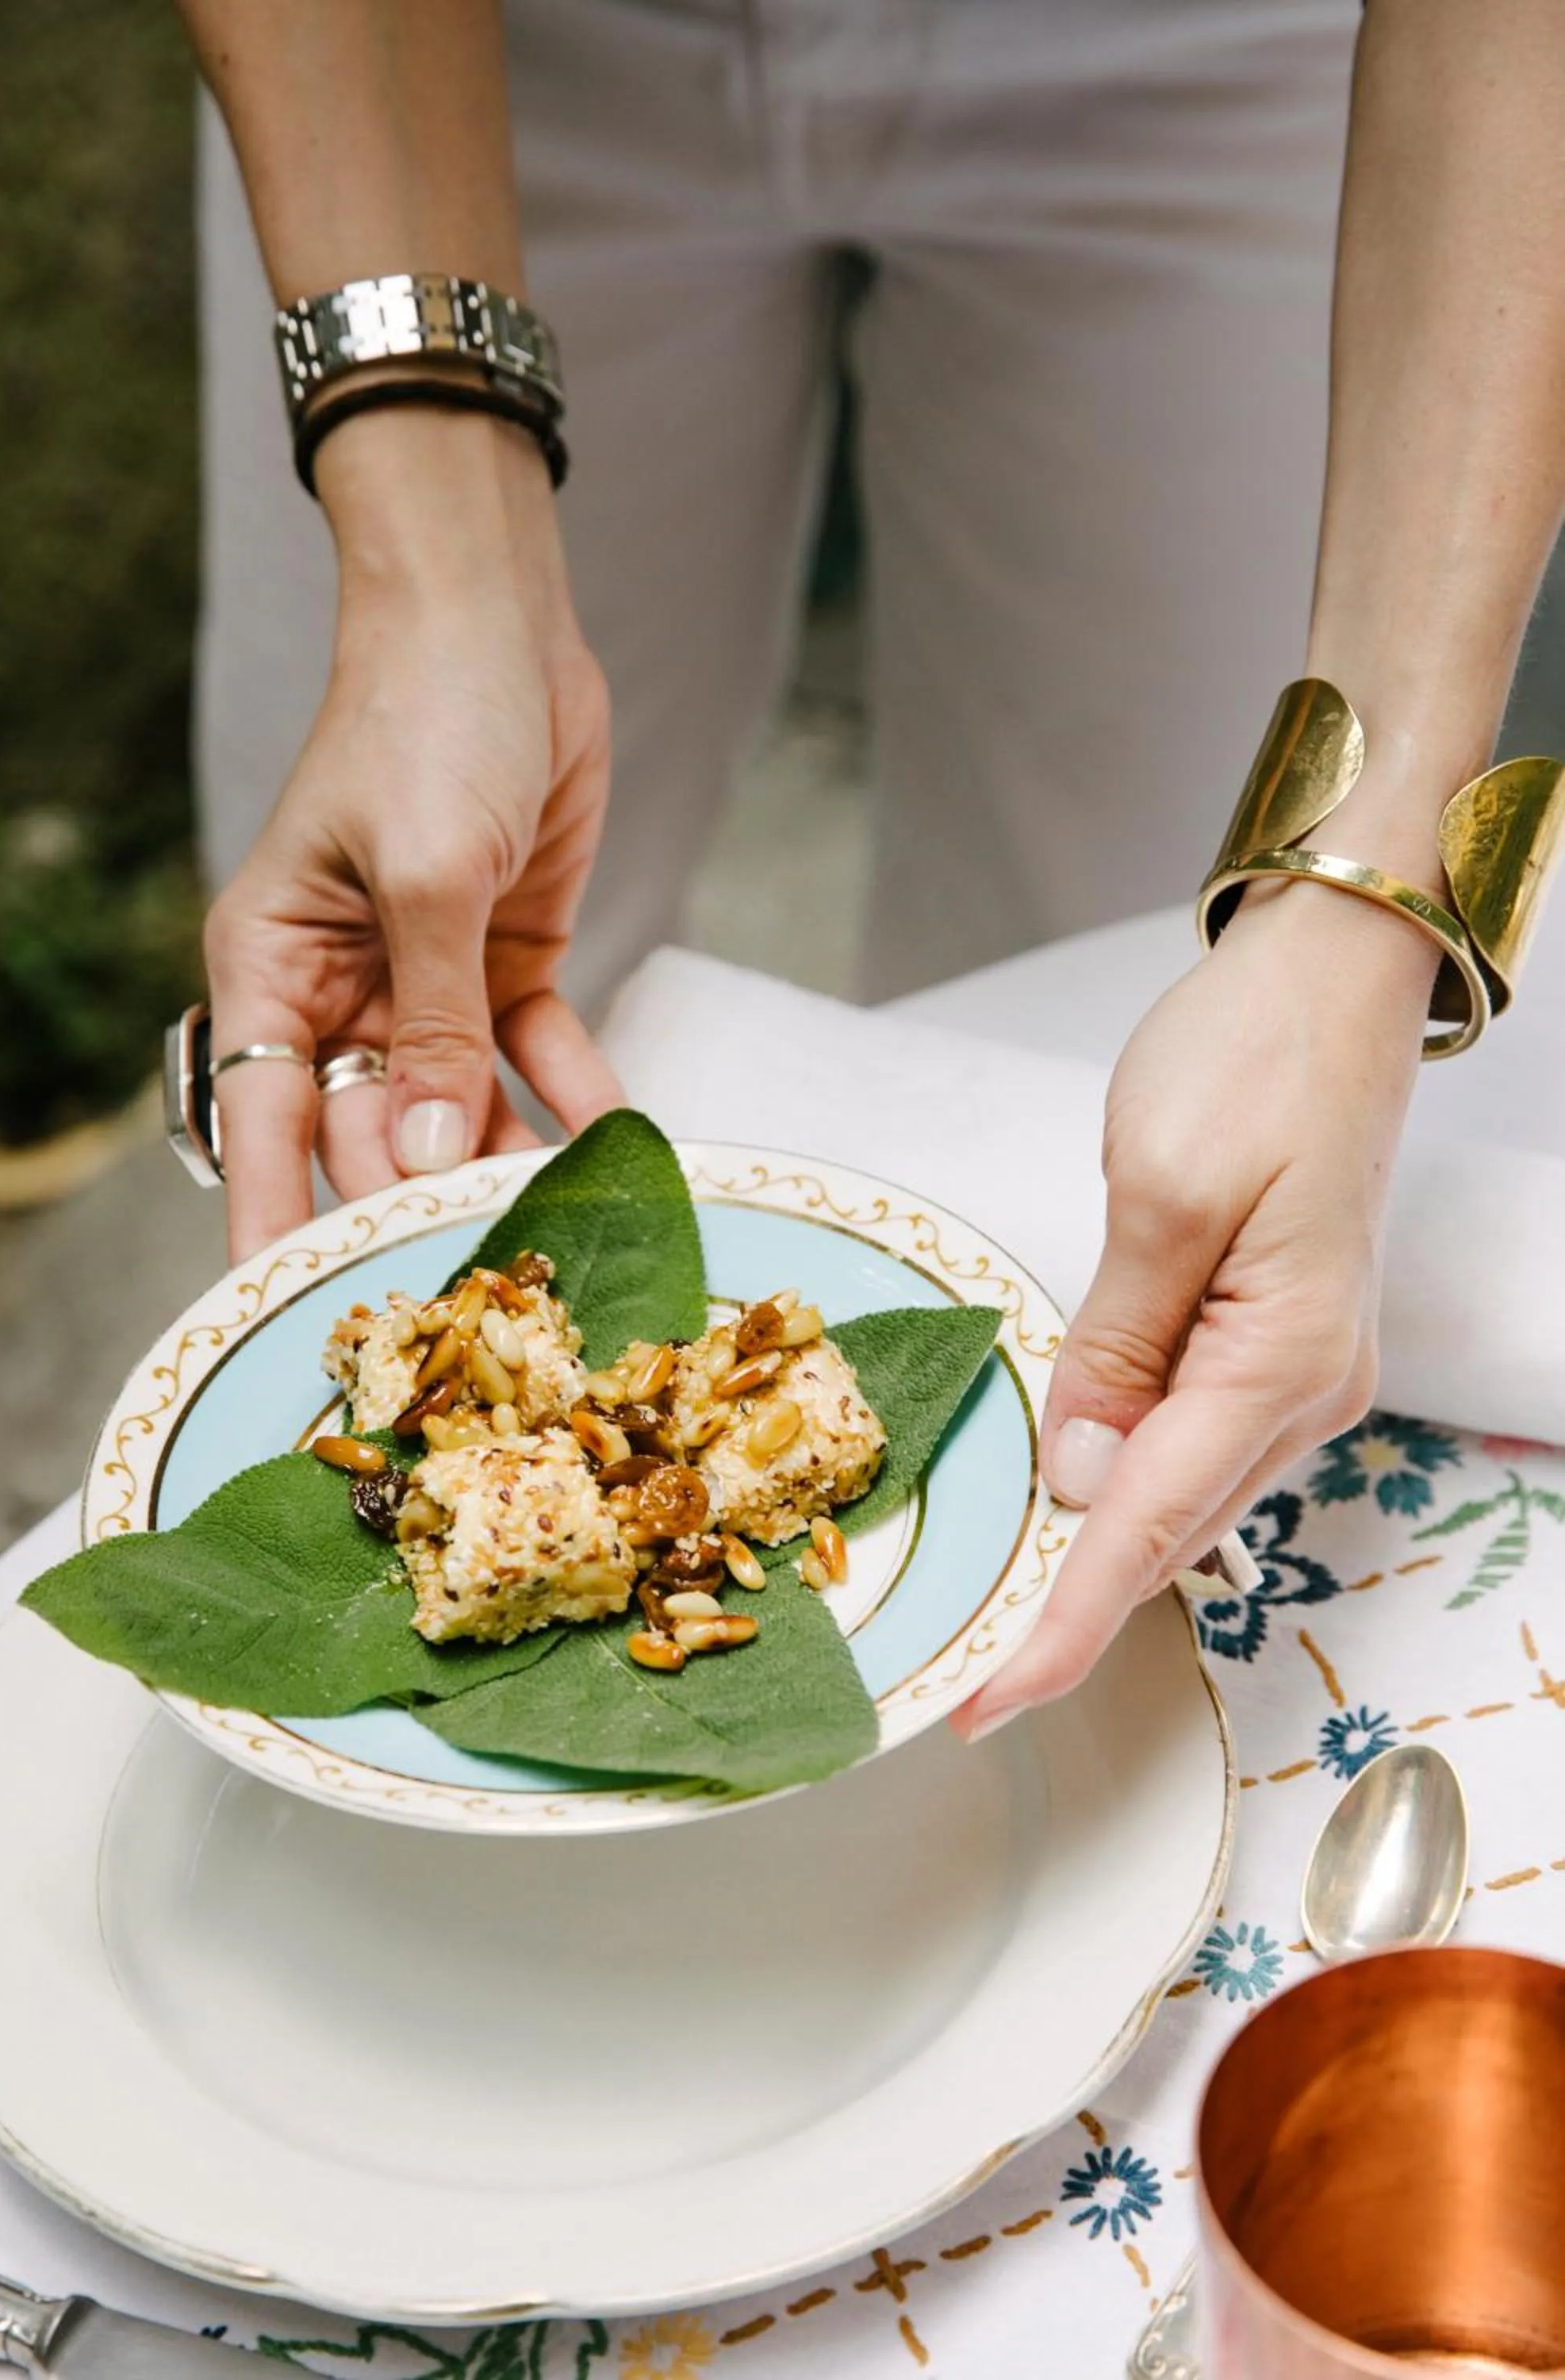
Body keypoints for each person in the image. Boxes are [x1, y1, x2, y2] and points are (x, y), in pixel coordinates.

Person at [176, 0, 1565, 1734]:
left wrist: (1362, 896)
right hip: (469, 56)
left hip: (1222, 54)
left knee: (1111, 1061)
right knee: (405, 994)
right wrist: (427, 552)